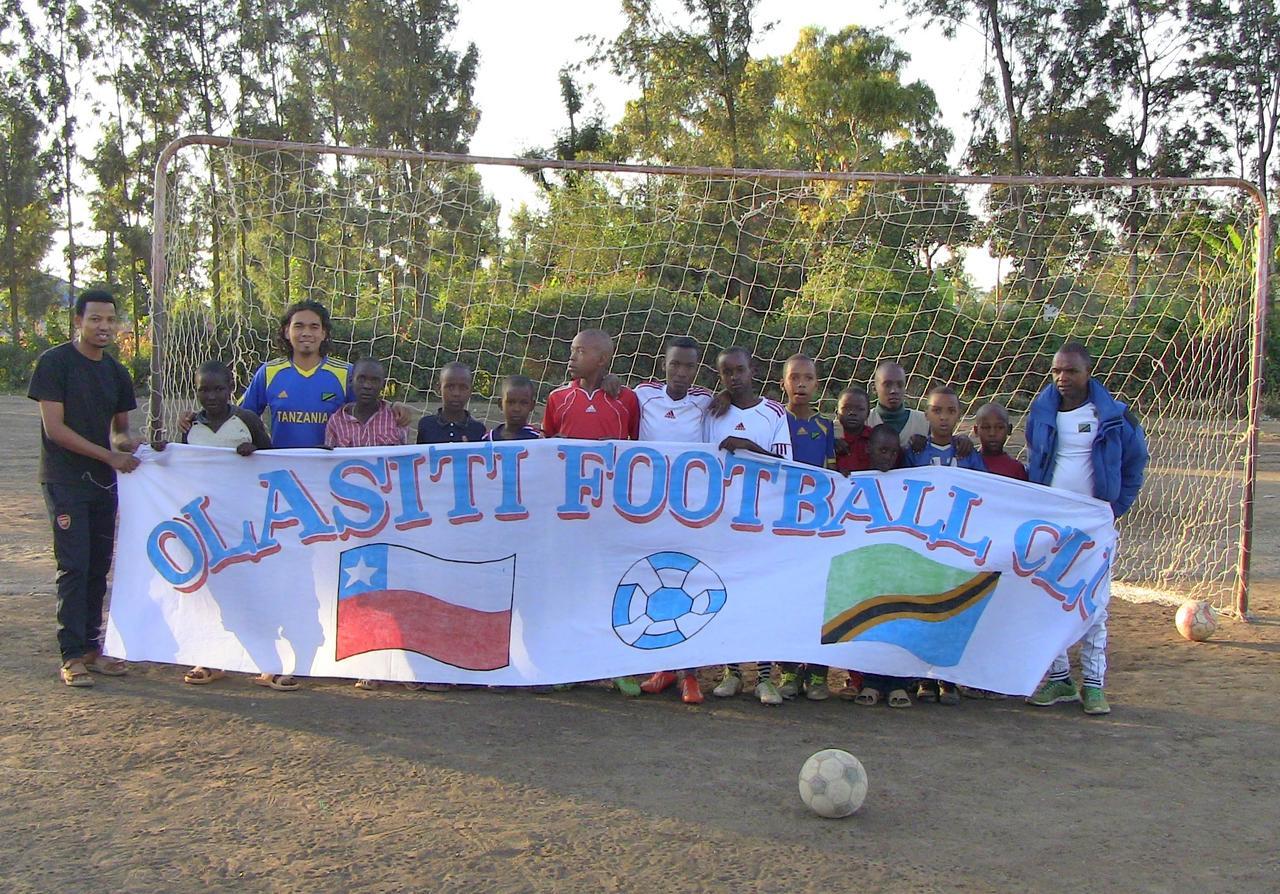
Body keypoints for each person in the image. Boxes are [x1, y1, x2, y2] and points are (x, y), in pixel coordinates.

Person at [1024, 342, 1148, 716]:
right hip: (1053, 522)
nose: (1063, 378)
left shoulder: (1113, 415)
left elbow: (1135, 463)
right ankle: (1060, 677)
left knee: (1094, 604)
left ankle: (1093, 683)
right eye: (1057, 371)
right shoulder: (1041, 412)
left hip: (1094, 524)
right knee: (1047, 598)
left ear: (1087, 373)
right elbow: (1036, 459)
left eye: (1071, 371)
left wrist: (1114, 509)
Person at [28, 289, 141, 687]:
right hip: (65, 481)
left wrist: (132, 445)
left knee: (98, 567)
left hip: (103, 486)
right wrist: (109, 456)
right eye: (95, 319)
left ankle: (93, 649)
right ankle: (71, 654)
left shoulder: (116, 372)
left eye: (110, 319)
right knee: (73, 566)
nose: (104, 326)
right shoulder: (55, 364)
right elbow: (54, 430)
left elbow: (120, 430)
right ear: (78, 321)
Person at [542, 329, 642, 697]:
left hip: (610, 512)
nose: (572, 356)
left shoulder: (625, 399)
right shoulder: (558, 398)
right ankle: (571, 665)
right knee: (570, 588)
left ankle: (616, 664)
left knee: (611, 586)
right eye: (572, 349)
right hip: (568, 513)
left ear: (602, 359)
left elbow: (634, 444)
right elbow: (547, 445)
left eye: (580, 351)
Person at [323, 358, 424, 692]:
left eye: (374, 380)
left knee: (394, 588)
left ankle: (401, 663)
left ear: (383, 385)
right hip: (351, 521)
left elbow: (408, 466)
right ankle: (367, 663)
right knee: (362, 592)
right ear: (352, 382)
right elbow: (324, 466)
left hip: (391, 518)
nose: (367, 385)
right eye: (361, 379)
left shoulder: (394, 419)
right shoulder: (336, 420)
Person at [171, 360, 271, 687]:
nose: (211, 395)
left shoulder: (247, 420)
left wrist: (254, 450)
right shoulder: (191, 426)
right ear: (196, 390)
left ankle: (269, 659)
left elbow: (274, 459)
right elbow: (180, 463)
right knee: (212, 591)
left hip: (245, 520)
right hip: (205, 522)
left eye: (218, 388)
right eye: (204, 389)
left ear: (231, 388)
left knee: (254, 586)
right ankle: (211, 657)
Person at [703, 347, 790, 705]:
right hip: (724, 519)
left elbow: (788, 466)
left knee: (764, 595)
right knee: (727, 593)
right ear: (720, 376)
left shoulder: (773, 412)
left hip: (763, 518)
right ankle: (733, 672)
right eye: (726, 372)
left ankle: (767, 678)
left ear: (752, 370)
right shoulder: (713, 412)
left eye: (739, 370)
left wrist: (749, 447)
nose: (734, 377)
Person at [632, 336, 714, 705]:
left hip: (691, 509)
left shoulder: (707, 402)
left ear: (696, 369)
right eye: (675, 364)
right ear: (663, 364)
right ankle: (664, 668)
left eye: (688, 366)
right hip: (649, 509)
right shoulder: (641, 395)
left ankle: (692, 674)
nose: (681, 372)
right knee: (657, 584)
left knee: (690, 584)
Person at [777, 354, 837, 702]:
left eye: (808, 378)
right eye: (794, 378)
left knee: (820, 597)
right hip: (781, 525)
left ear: (816, 384)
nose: (801, 384)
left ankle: (816, 673)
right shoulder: (775, 420)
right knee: (787, 596)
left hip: (817, 525)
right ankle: (787, 671)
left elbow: (832, 474)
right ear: (783, 383)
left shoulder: (825, 427)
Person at [851, 424, 915, 708]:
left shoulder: (910, 482)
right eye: (882, 450)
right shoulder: (852, 481)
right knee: (872, 622)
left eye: (893, 451)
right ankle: (872, 681)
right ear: (868, 450)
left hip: (900, 567)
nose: (888, 457)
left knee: (899, 619)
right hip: (868, 566)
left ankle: (899, 682)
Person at [241, 300, 355, 449]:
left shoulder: (346, 373)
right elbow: (242, 417)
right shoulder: (269, 372)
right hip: (282, 468)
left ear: (323, 333)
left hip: (330, 469)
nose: (306, 333)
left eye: (314, 327)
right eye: (299, 326)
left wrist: (395, 406)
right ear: (287, 332)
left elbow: (371, 414)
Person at [903, 385, 986, 473]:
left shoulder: (966, 451)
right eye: (937, 411)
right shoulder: (915, 451)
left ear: (959, 416)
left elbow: (983, 483)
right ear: (926, 415)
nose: (944, 417)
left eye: (951, 411)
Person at [417, 362, 487, 444]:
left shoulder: (478, 429)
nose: (456, 393)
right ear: (439, 388)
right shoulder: (426, 425)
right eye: (450, 387)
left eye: (463, 387)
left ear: (471, 391)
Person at [866, 360, 929, 447]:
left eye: (900, 385)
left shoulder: (925, 422)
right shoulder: (865, 421)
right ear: (874, 389)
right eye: (887, 385)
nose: (894, 390)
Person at [974, 402, 1028, 481]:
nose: (992, 433)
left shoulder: (1016, 469)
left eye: (1000, 427)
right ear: (976, 431)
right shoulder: (968, 463)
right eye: (986, 427)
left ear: (1009, 429)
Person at [483, 375, 543, 441]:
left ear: (532, 405)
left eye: (523, 403)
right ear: (500, 404)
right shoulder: (489, 439)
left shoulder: (538, 439)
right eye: (511, 402)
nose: (516, 409)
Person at [834, 386, 873, 477]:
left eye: (860, 409)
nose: (852, 413)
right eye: (846, 408)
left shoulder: (874, 438)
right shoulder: (829, 438)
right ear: (837, 413)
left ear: (868, 414)